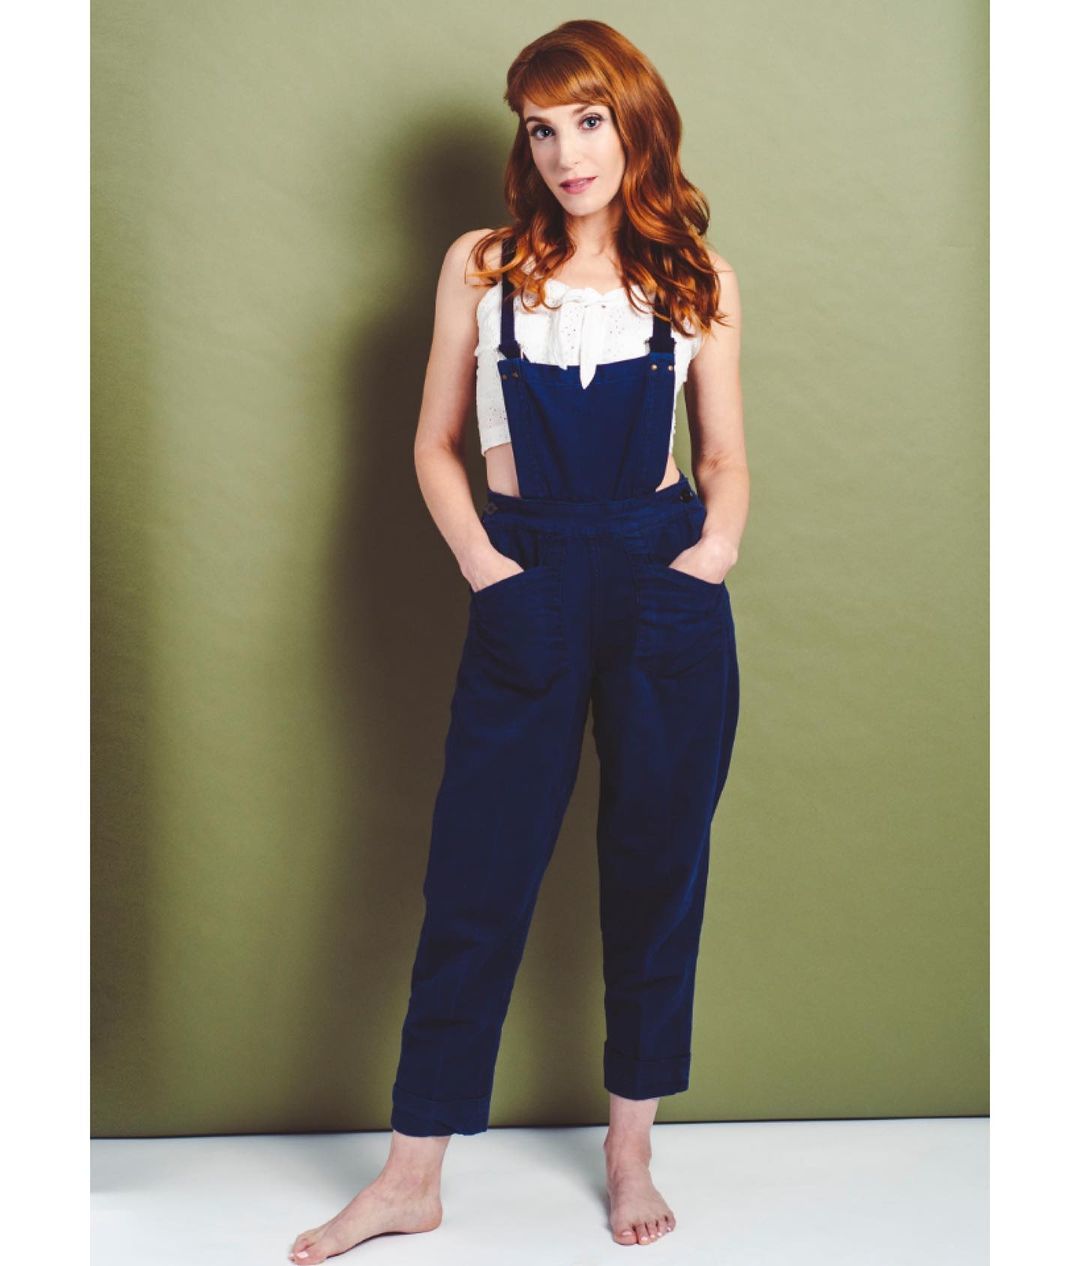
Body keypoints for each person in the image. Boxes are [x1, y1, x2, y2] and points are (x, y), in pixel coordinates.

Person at [290, 18, 747, 1262]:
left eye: (588, 122)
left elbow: (722, 456)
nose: (565, 153)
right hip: (526, 575)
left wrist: (710, 556)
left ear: (635, 124)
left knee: (657, 873)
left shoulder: (695, 277)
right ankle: (411, 1179)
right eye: (542, 129)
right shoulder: (483, 265)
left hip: (661, 578)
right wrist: (486, 567)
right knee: (475, 880)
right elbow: (434, 443)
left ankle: (631, 1149)